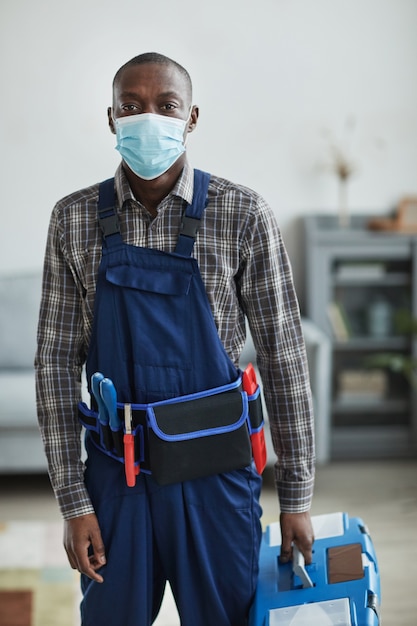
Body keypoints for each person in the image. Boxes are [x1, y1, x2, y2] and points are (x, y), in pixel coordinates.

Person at [35, 52, 315, 626]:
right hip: (117, 480)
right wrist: (73, 501)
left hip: (216, 478)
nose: (148, 118)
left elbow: (284, 359)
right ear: (111, 117)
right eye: (131, 106)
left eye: (165, 106)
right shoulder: (73, 219)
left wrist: (296, 498)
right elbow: (55, 367)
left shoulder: (243, 214)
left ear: (191, 117)